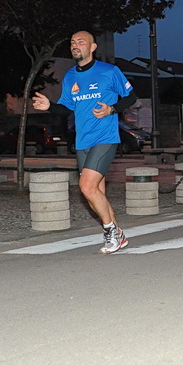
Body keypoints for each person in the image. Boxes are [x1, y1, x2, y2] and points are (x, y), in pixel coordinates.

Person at [32, 31, 138, 254]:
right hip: (83, 141)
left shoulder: (109, 71)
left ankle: (110, 232)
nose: (75, 45)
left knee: (86, 187)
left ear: (92, 47)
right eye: (72, 42)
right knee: (95, 193)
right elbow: (66, 108)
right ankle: (118, 233)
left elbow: (131, 97)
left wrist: (112, 109)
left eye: (81, 42)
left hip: (105, 138)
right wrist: (49, 106)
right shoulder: (70, 76)